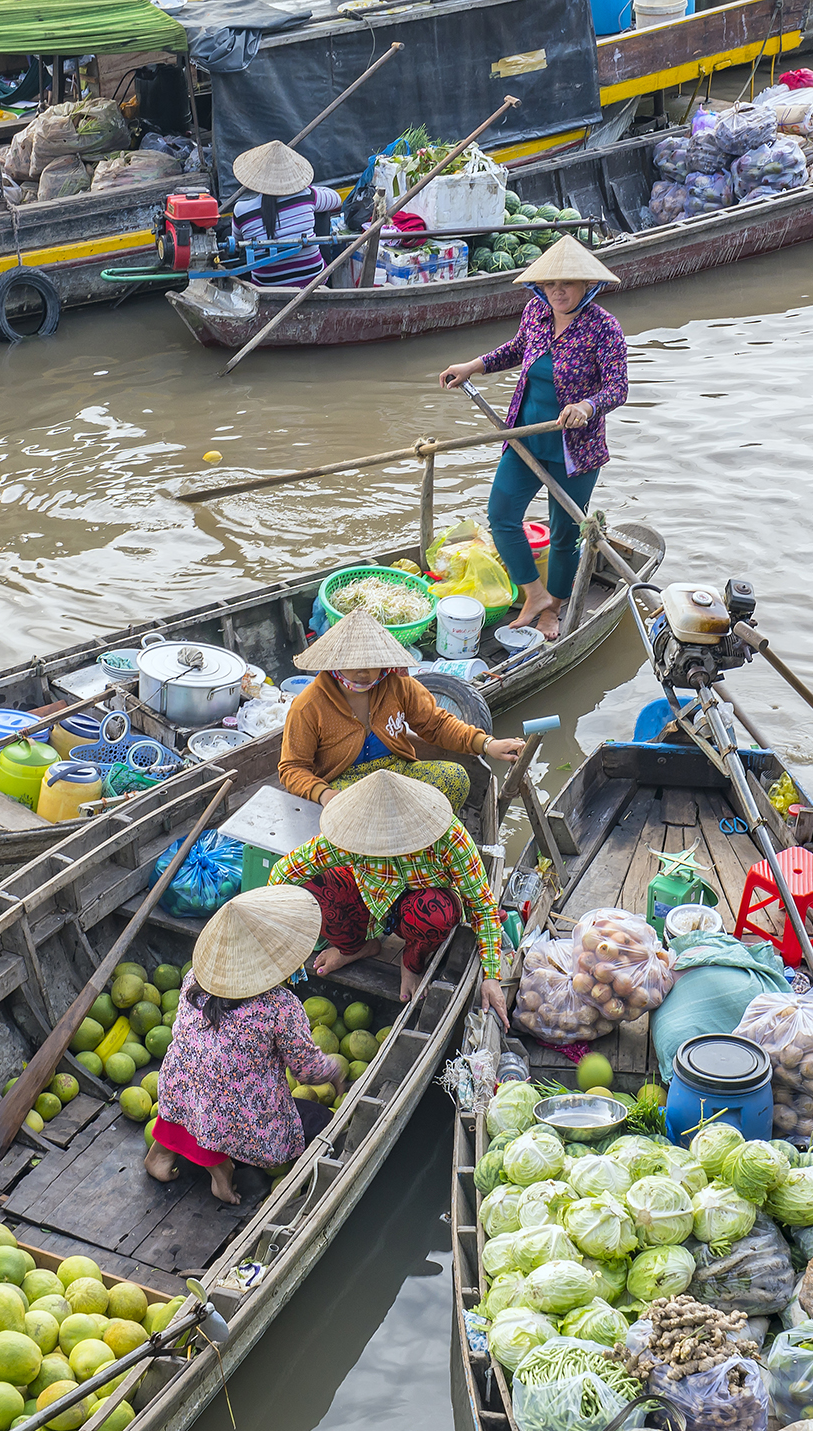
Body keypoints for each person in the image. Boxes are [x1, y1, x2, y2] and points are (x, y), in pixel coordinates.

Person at [434, 237, 626, 641]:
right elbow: (517, 349)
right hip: (526, 437)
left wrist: (588, 406)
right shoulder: (536, 313)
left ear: (587, 285)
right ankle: (535, 595)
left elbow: (617, 388)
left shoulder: (604, 327)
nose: (558, 291)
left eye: (567, 283)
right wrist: (473, 366)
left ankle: (552, 610)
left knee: (564, 535)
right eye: (550, 283)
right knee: (501, 515)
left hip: (576, 450)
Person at [147, 886, 344, 1205]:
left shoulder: (194, 979)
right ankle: (221, 1171)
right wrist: (335, 1071)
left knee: (199, 1089)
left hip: (177, 1090)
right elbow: (307, 1070)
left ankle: (162, 1154)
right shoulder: (280, 1006)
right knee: (324, 1122)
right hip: (235, 1116)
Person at [271, 768, 507, 1017]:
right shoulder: (352, 834)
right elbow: (284, 873)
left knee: (436, 913)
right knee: (312, 886)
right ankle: (355, 946)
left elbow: (482, 905)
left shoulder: (449, 837)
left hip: (422, 910)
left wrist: (491, 976)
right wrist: (284, 941)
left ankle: (412, 961)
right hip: (371, 903)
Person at [277, 612, 522, 808]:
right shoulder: (308, 706)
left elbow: (437, 724)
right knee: (359, 814)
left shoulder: (398, 685)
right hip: (345, 783)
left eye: (372, 663)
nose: (363, 672)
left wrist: (487, 744)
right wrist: (324, 794)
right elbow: (292, 768)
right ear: (334, 662)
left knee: (455, 777)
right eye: (353, 664)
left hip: (396, 771)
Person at [226, 139, 338, 289]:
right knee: (321, 212)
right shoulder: (307, 196)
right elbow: (335, 199)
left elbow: (236, 246)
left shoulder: (241, 210)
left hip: (266, 285)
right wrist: (306, 188)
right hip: (313, 279)